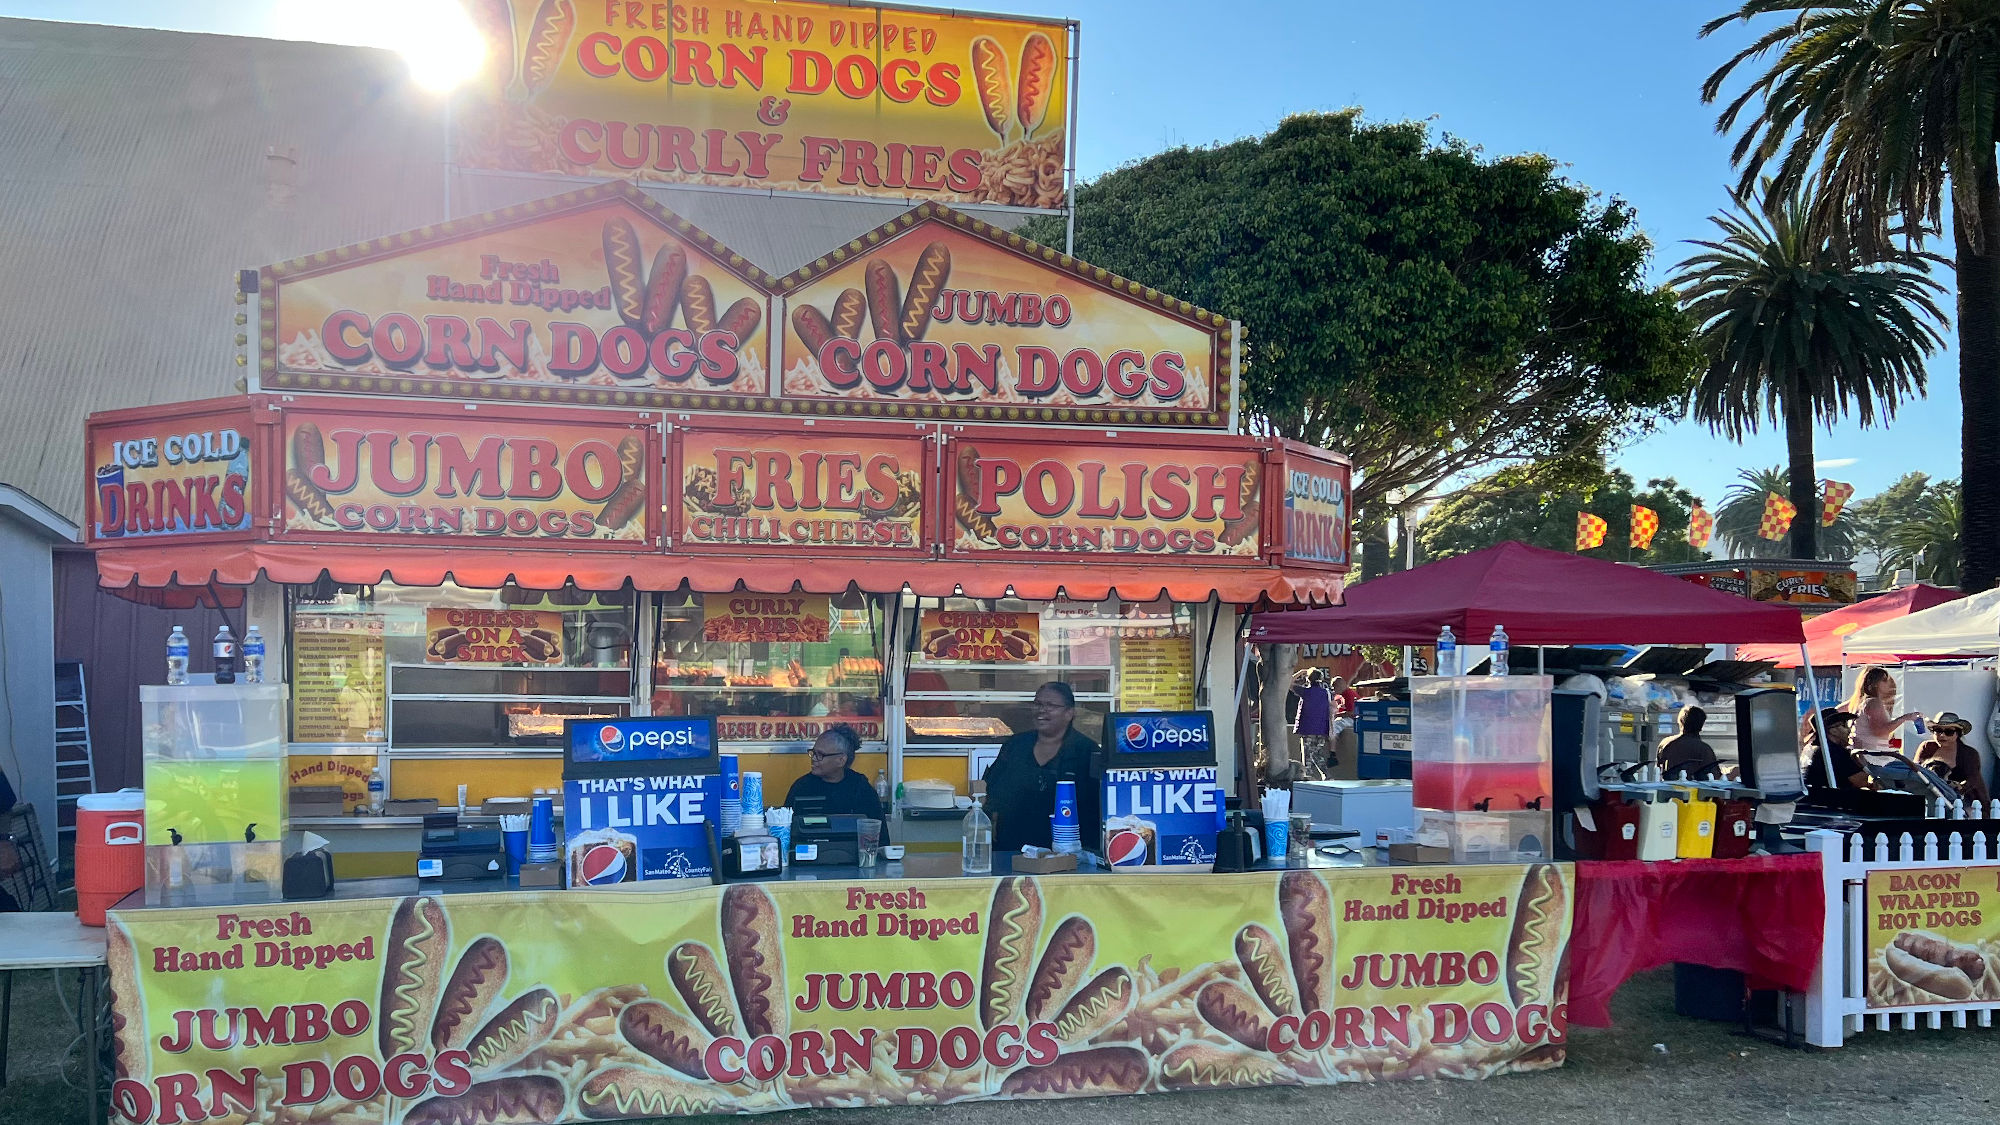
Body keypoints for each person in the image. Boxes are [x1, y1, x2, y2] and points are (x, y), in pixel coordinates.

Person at [983, 682, 1100, 851]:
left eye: (1050, 705)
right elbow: (992, 788)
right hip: (1012, 848)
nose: (1041, 710)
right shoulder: (1016, 745)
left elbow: (1096, 807)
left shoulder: (1086, 751)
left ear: (1069, 713)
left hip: (1066, 854)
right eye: (1038, 704)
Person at [782, 724, 887, 840]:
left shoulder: (861, 788)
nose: (814, 759)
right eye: (813, 753)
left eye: (820, 755)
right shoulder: (802, 787)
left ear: (841, 760)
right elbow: (785, 832)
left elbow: (881, 837)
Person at [1915, 712, 1991, 806]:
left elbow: (1973, 781)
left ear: (1958, 734)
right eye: (1938, 730)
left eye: (1949, 732)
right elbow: (1915, 772)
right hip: (1927, 798)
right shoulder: (1926, 747)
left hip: (1959, 802)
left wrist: (1957, 787)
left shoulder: (1969, 754)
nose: (1942, 735)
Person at [1843, 666, 1923, 752]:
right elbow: (1879, 731)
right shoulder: (1874, 702)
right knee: (1913, 765)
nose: (1888, 683)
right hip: (1873, 755)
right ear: (1875, 684)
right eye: (1884, 680)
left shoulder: (1859, 702)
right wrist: (1904, 718)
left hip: (1862, 752)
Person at [1802, 708, 1862, 790]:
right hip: (1830, 800)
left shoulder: (1810, 748)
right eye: (1844, 725)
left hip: (1810, 799)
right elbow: (1863, 781)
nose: (1849, 730)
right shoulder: (1834, 752)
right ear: (1833, 731)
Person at [1657, 706, 1721, 780]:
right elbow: (1715, 777)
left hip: (1667, 788)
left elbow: (1658, 772)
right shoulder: (1704, 749)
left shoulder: (1665, 743)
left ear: (1680, 722)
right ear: (1701, 725)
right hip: (1695, 790)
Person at [1292, 669, 1335, 770]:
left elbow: (1288, 683)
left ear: (1308, 679)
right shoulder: (1326, 693)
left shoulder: (1304, 692)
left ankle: (1307, 776)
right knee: (1317, 754)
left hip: (1307, 728)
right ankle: (1326, 775)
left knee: (1307, 755)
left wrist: (1300, 672)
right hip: (1322, 728)